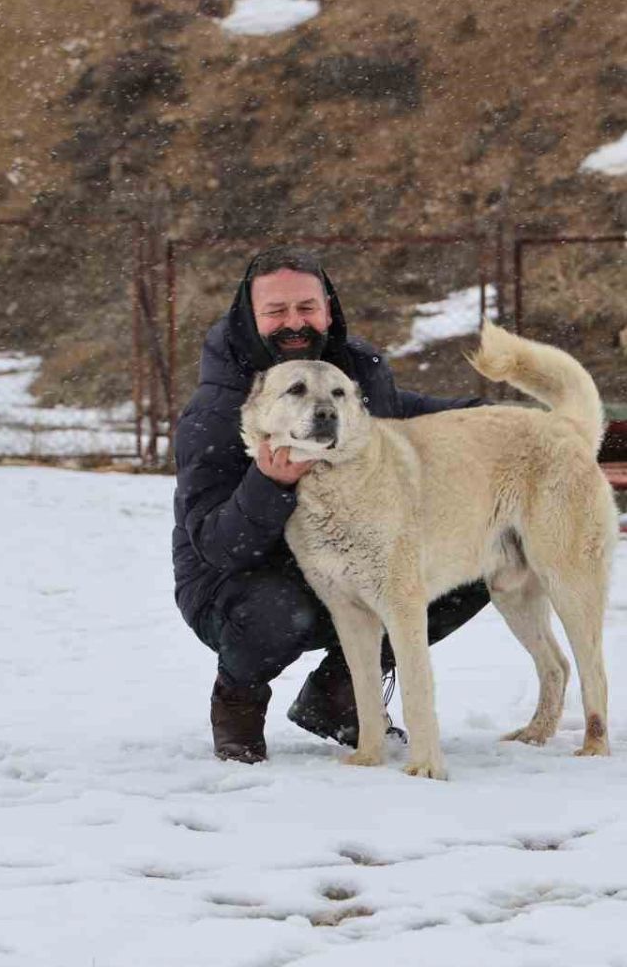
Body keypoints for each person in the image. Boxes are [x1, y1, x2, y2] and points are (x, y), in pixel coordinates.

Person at [172, 245, 492, 763]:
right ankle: (238, 700)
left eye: (306, 308)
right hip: (238, 579)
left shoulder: (356, 369)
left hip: (346, 556)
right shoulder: (217, 405)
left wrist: (491, 419)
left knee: (468, 564)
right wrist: (267, 483)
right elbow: (214, 544)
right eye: (276, 311)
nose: (293, 323)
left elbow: (403, 411)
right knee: (283, 611)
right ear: (250, 317)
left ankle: (338, 693)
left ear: (328, 307)